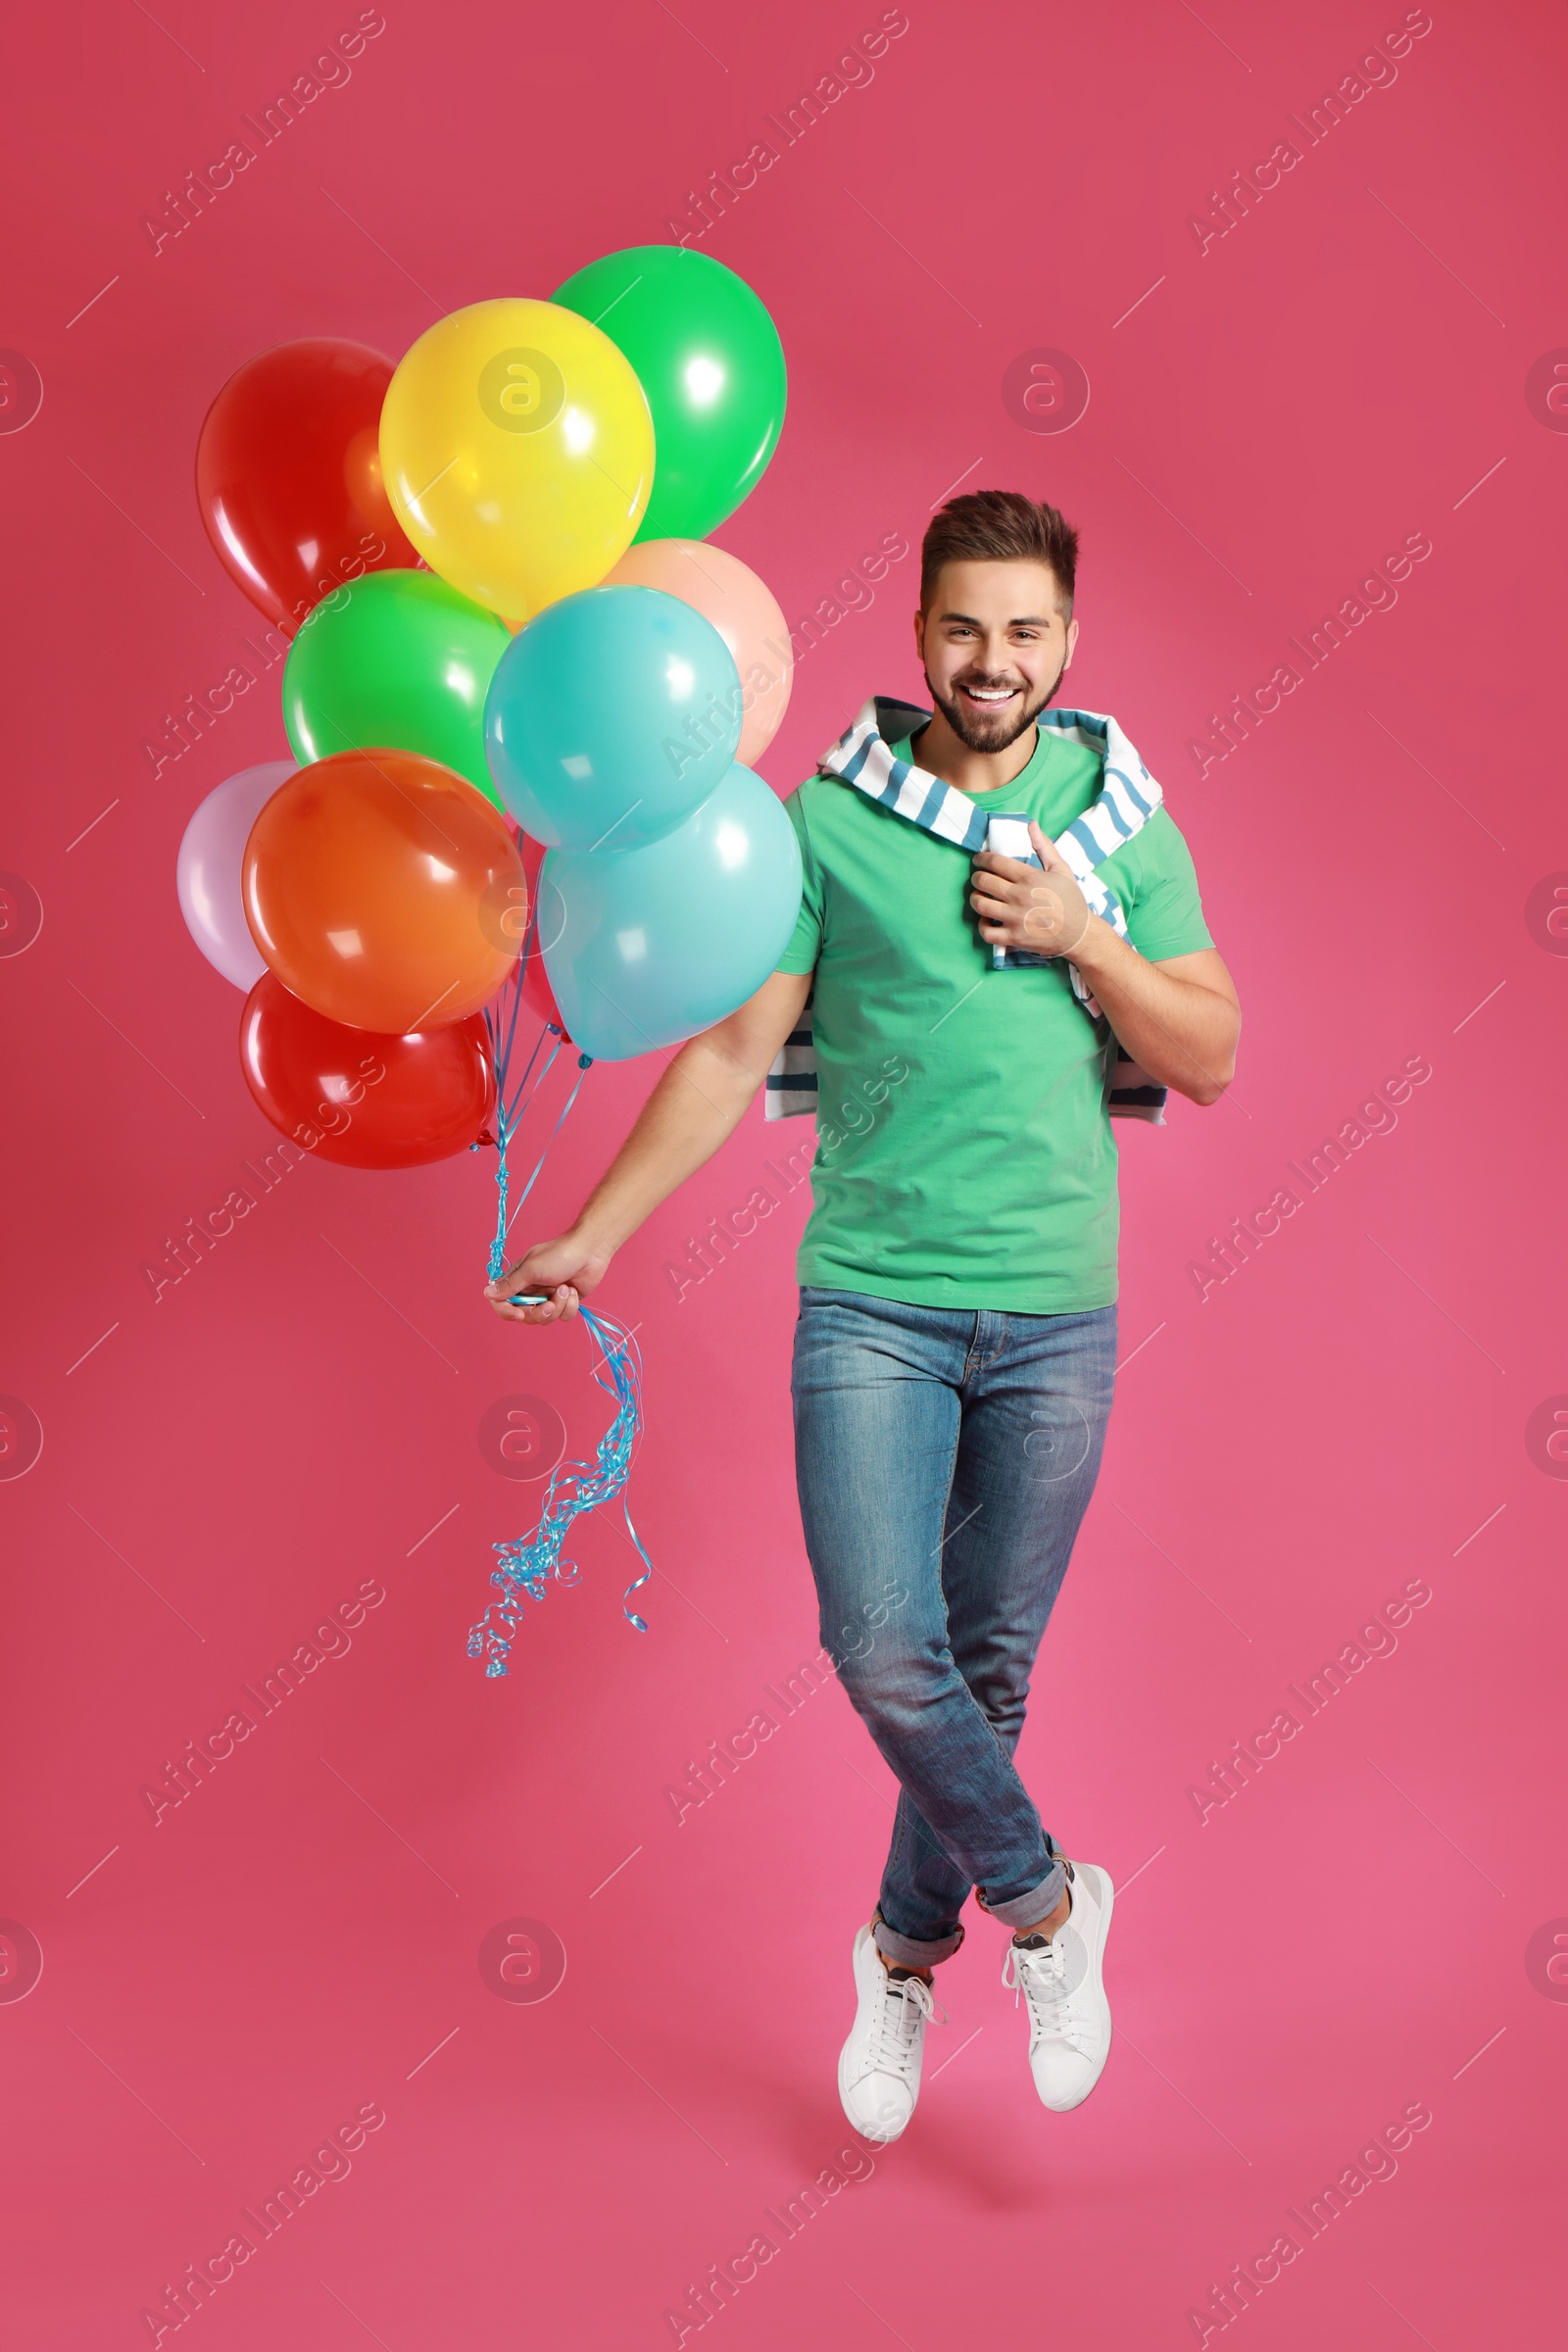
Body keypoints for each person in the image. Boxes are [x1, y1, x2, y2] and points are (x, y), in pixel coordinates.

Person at [486, 489, 1240, 2142]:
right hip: (876, 1307)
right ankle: (1051, 1912)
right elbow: (733, 1052)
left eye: (1027, 630)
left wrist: (1078, 933)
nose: (995, 661)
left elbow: (1209, 1051)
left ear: (1068, 640)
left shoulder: (1116, 818)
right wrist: (596, 1232)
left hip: (1055, 1315)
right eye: (965, 627)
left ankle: (900, 1963)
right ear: (917, 636)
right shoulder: (832, 821)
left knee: (987, 1664)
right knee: (882, 1643)